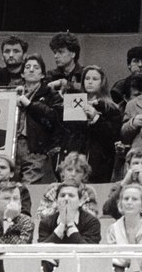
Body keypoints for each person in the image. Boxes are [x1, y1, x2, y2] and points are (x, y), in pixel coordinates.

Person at [59, 65, 122, 183]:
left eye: (94, 79)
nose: (90, 82)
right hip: (75, 158)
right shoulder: (73, 102)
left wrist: (96, 118)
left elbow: (113, 136)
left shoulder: (111, 108)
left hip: (99, 163)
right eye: (87, 78)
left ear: (102, 82)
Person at [38, 180, 102, 272]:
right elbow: (42, 251)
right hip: (52, 267)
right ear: (56, 200)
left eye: (71, 195)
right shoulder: (46, 222)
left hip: (81, 267)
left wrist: (71, 226)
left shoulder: (92, 222)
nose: (66, 198)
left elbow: (89, 253)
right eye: (62, 195)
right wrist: (61, 226)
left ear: (81, 201)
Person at [15, 54, 62, 184]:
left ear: (42, 75)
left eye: (36, 67)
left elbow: (55, 117)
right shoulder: (13, 92)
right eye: (27, 67)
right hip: (12, 146)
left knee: (27, 187)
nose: (31, 70)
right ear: (22, 74)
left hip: (35, 148)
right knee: (9, 187)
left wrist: (29, 104)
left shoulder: (51, 94)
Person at [106, 183, 142, 272]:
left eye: (134, 199)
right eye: (126, 199)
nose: (129, 202)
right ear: (120, 203)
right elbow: (112, 259)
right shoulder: (112, 229)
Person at [39, 152, 98, 219]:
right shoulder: (52, 189)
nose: (73, 174)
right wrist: (57, 207)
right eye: (69, 170)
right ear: (63, 172)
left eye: (78, 171)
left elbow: (92, 217)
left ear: (84, 175)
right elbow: (40, 215)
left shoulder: (88, 191)